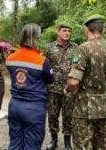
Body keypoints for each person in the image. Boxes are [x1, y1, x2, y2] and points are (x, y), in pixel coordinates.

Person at [6, 23, 54, 150]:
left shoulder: (10, 58)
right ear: (36, 38)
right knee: (32, 144)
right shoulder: (42, 61)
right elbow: (51, 80)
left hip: (15, 105)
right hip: (34, 108)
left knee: (15, 143)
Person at [65, 14, 106, 149]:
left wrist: (67, 90)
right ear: (102, 29)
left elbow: (73, 82)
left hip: (85, 108)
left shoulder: (84, 48)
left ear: (86, 29)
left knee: (83, 145)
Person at [46, 22, 78, 150]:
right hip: (53, 88)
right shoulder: (50, 47)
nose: (67, 33)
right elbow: (45, 67)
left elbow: (78, 67)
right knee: (52, 115)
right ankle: (53, 140)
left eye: (69, 31)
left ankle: (67, 142)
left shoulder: (76, 47)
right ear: (58, 32)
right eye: (64, 30)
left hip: (69, 89)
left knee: (68, 116)